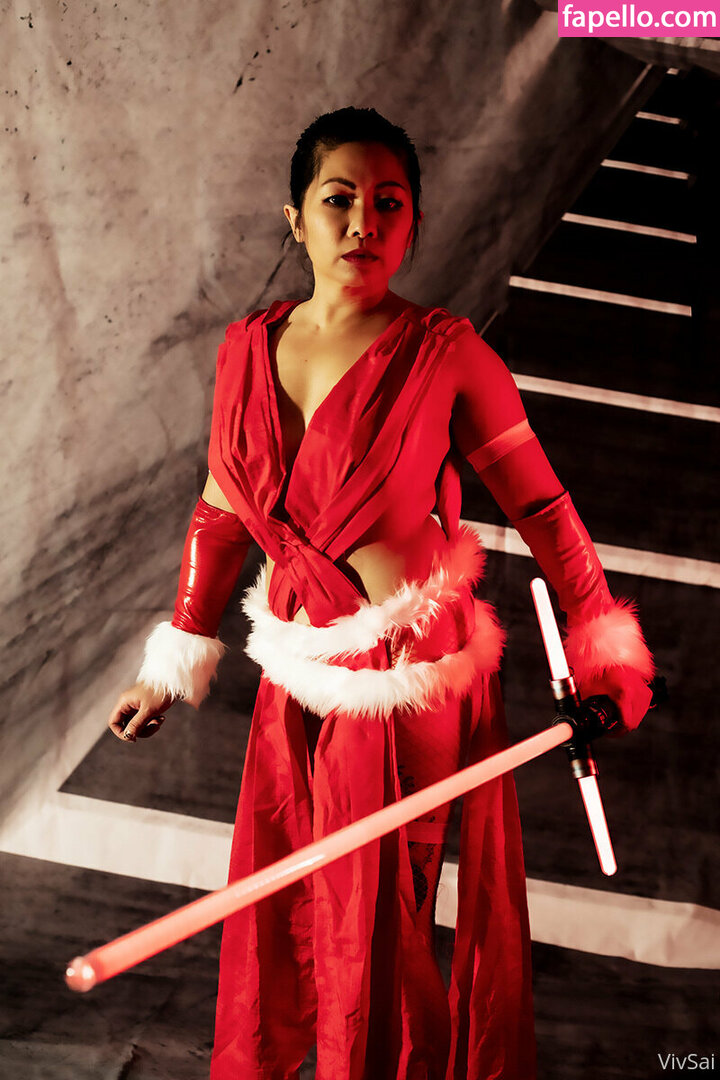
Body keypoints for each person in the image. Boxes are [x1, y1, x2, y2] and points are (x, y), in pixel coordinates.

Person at [108, 107, 655, 1080]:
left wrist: (603, 646)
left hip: (404, 688)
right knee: (282, 913)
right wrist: (174, 655)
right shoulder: (246, 348)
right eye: (339, 199)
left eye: (389, 203)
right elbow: (222, 511)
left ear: (414, 224)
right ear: (296, 219)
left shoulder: (448, 353)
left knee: (373, 936)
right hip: (294, 675)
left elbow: (545, 508)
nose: (364, 221)